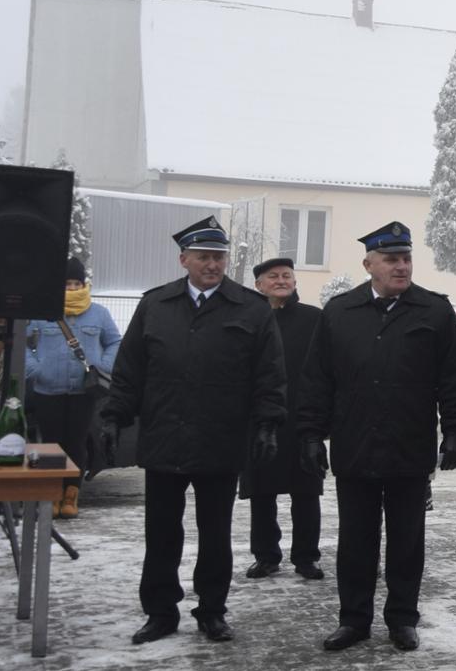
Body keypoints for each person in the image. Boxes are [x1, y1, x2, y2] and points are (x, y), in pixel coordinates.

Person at [100, 216, 285, 644]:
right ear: (184, 259)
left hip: (220, 438)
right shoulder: (155, 305)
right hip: (165, 436)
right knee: (162, 531)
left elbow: (270, 375)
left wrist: (268, 423)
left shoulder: (250, 308)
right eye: (203, 257)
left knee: (216, 533)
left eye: (218, 257)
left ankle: (212, 610)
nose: (212, 265)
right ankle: (161, 611)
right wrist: (113, 416)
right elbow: (129, 369)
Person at [297, 222, 456, 653]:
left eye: (406, 258)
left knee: (406, 542)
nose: (401, 266)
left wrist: (455, 431)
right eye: (391, 259)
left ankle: (402, 619)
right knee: (355, 542)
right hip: (355, 446)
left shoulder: (433, 312)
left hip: (408, 449)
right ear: (369, 264)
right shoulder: (340, 313)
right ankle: (353, 620)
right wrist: (310, 434)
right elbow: (317, 380)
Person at [239, 257, 326, 581]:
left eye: (286, 275)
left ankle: (306, 557)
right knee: (262, 492)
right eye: (272, 276)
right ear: (259, 285)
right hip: (259, 420)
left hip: (303, 418)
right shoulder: (247, 319)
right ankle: (266, 556)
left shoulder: (314, 319)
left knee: (306, 491)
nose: (281, 280)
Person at [24, 257, 121, 519]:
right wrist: (36, 369)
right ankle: (53, 494)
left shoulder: (99, 313)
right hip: (47, 389)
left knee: (76, 442)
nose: (71, 288)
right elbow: (21, 344)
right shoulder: (41, 312)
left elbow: (115, 341)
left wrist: (103, 365)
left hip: (84, 391)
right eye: (66, 283)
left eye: (76, 283)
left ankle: (71, 495)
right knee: (52, 444)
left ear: (84, 284)